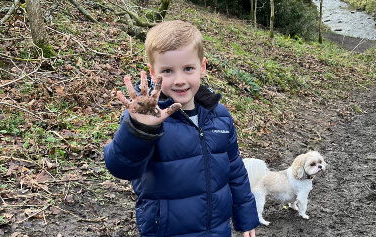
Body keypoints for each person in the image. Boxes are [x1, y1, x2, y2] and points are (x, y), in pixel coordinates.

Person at [103, 20, 259, 237]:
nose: (179, 80)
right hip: (167, 230)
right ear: (152, 71)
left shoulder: (220, 116)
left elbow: (235, 169)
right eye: (167, 71)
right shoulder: (147, 117)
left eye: (188, 68)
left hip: (217, 230)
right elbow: (121, 167)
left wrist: (246, 216)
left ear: (202, 67)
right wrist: (139, 130)